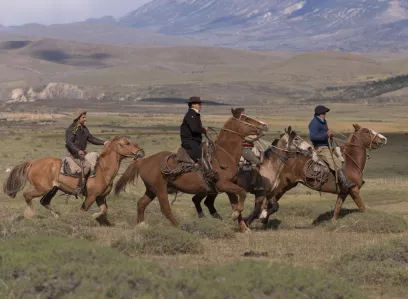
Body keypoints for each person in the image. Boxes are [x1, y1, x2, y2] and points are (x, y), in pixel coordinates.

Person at [308, 105, 355, 192]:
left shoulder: (323, 121)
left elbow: (325, 132)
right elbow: (312, 137)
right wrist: (326, 135)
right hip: (320, 148)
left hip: (327, 146)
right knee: (335, 162)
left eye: (325, 112)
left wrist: (330, 134)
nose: (325, 114)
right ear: (320, 113)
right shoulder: (314, 123)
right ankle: (344, 183)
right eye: (324, 112)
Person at [65, 109, 109, 195]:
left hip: (82, 153)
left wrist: (103, 142)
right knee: (87, 166)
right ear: (78, 118)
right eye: (83, 117)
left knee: (96, 162)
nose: (85, 119)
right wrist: (78, 151)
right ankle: (80, 188)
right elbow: (69, 143)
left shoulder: (84, 128)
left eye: (85, 117)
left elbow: (91, 138)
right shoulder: (72, 129)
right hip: (74, 154)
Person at [234, 108, 264, 191]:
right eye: (243, 114)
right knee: (256, 162)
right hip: (244, 148)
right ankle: (254, 183)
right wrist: (258, 135)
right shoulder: (238, 126)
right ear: (239, 115)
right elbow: (248, 139)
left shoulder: (243, 124)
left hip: (250, 147)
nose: (245, 115)